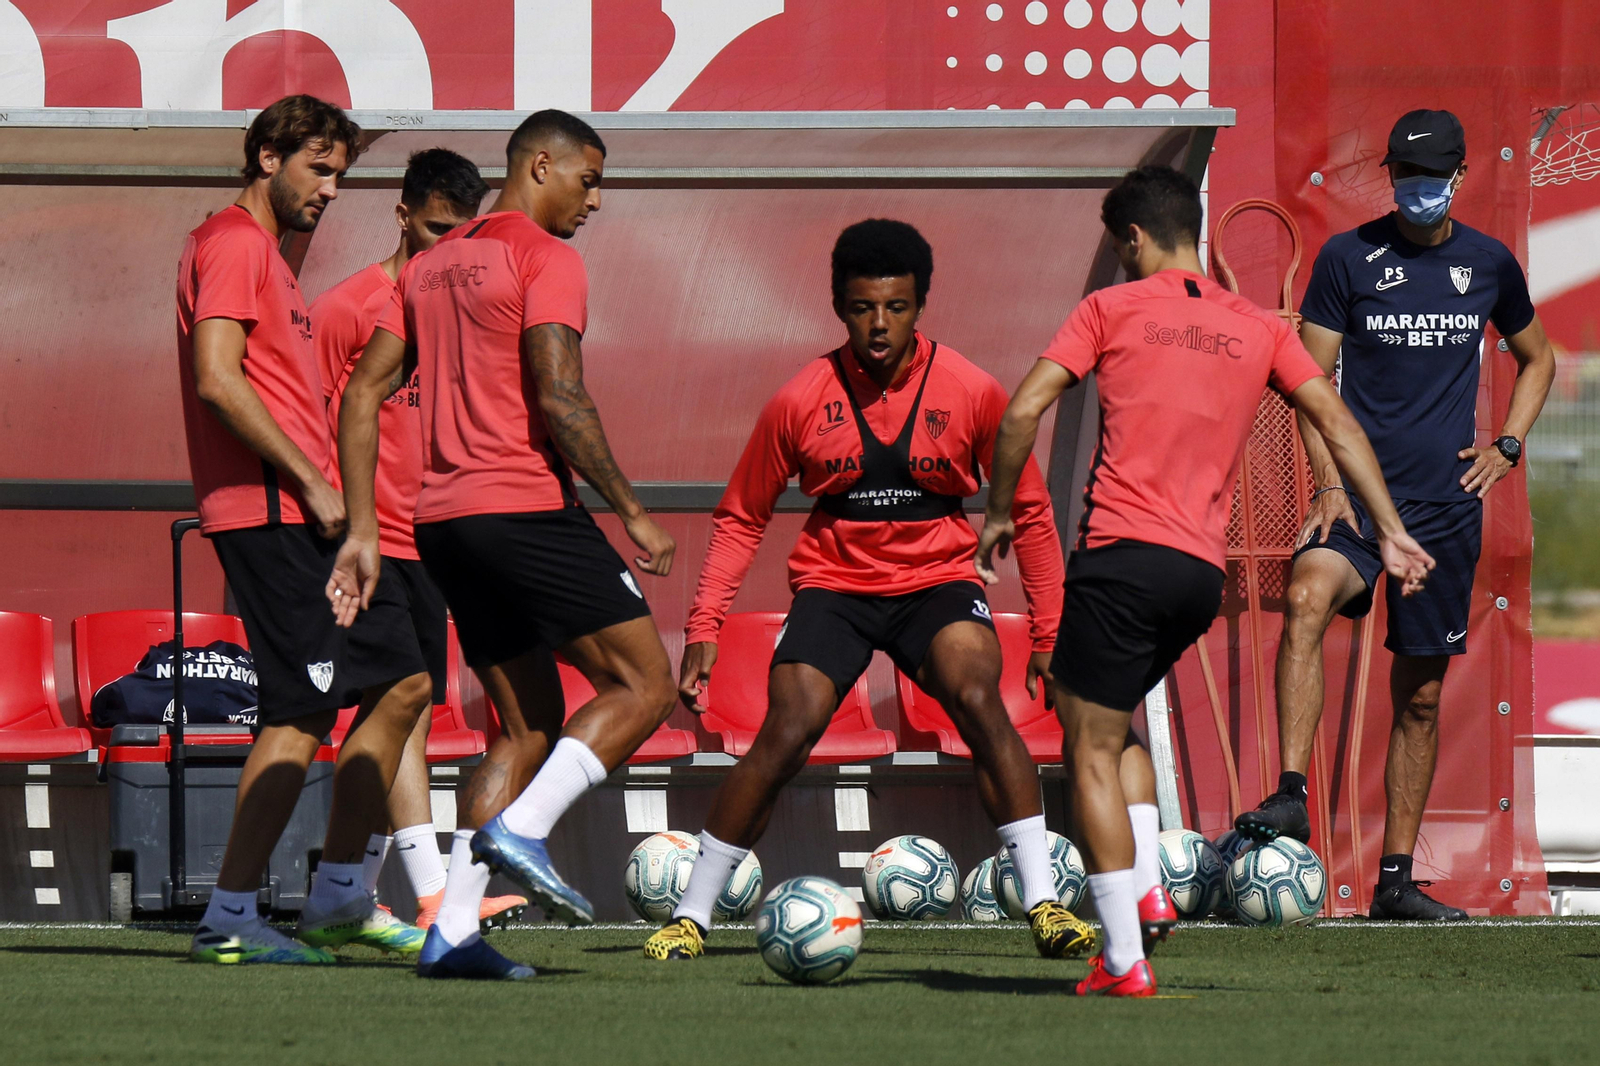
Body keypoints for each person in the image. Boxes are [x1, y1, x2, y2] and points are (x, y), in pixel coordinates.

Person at [978, 165, 1435, 996]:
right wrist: (1393, 532)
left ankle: (1122, 960)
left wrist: (1001, 511)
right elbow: (1334, 419)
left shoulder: (1109, 308)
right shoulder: (1255, 323)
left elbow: (1020, 411)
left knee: (1083, 745)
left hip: (1120, 558)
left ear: (1133, 239)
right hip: (1196, 576)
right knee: (1115, 731)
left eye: (1121, 248)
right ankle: (1149, 888)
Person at [643, 219, 1097, 964]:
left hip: (938, 582)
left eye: (895, 307)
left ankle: (1045, 906)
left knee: (981, 701)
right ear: (838, 307)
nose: (879, 325)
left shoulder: (973, 391)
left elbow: (1034, 515)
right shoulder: (799, 399)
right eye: (861, 308)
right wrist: (703, 625)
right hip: (835, 587)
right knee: (785, 731)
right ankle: (691, 916)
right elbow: (740, 516)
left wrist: (1049, 634)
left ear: (920, 304)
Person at [331, 109, 679, 980]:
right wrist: (632, 510)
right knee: (645, 685)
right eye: (588, 180)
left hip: (442, 525)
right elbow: (561, 396)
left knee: (524, 729)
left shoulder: (430, 265)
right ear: (541, 166)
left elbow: (361, 394)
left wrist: (367, 526)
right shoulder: (546, 257)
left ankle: (451, 934)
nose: (594, 201)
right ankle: (522, 830)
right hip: (521, 508)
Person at [1232, 110, 1555, 920]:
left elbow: (1539, 356)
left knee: (1417, 696)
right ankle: (1293, 795)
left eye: (1429, 177)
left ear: (1457, 175)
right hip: (1354, 502)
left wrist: (1507, 445)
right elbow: (1304, 380)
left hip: (1444, 510)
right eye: (1403, 176)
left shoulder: (1488, 263)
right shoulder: (1347, 259)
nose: (1415, 190)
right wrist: (1328, 484)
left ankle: (1396, 883)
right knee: (1307, 596)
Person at [179, 95, 433, 965]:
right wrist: (312, 478)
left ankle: (336, 896)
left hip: (304, 513)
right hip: (274, 513)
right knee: (299, 708)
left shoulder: (273, 260)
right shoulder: (232, 243)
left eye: (340, 174)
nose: (330, 189)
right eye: (317, 169)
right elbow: (217, 378)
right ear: (264, 158)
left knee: (403, 681)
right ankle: (231, 914)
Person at [312, 147, 527, 933]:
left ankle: (361, 892)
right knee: (396, 701)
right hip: (367, 542)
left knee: (409, 709)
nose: (445, 251)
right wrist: (340, 523)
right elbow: (313, 421)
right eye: (434, 230)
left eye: (459, 236)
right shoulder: (348, 306)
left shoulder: (463, 313)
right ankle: (419, 890)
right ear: (401, 214)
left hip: (437, 538)